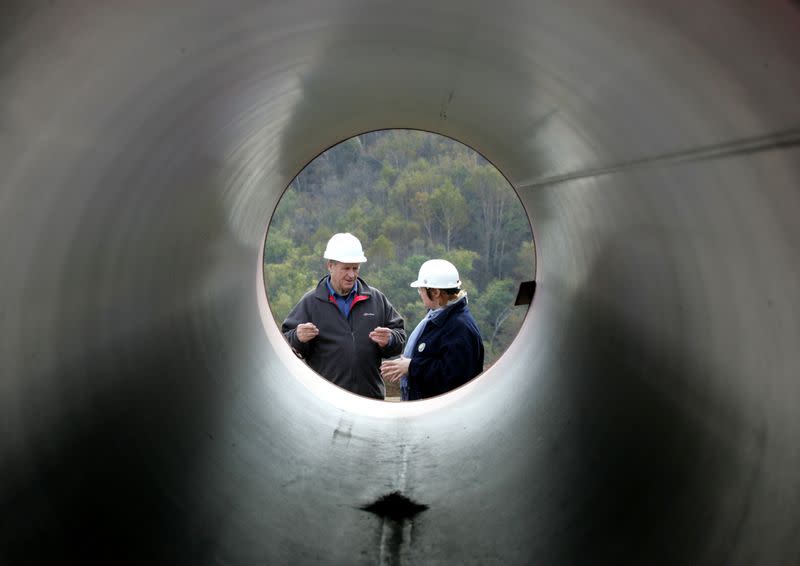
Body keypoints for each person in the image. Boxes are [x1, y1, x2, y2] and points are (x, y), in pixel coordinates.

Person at [282, 233, 406, 399]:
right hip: (326, 402)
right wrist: (297, 337)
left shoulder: (376, 299)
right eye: (346, 268)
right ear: (330, 266)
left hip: (369, 401)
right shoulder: (311, 302)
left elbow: (400, 338)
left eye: (355, 268)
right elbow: (284, 343)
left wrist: (389, 339)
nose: (352, 275)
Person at [380, 259, 484, 400]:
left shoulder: (459, 327)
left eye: (421, 289)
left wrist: (412, 366)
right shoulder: (440, 316)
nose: (420, 293)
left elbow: (454, 375)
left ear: (435, 292)